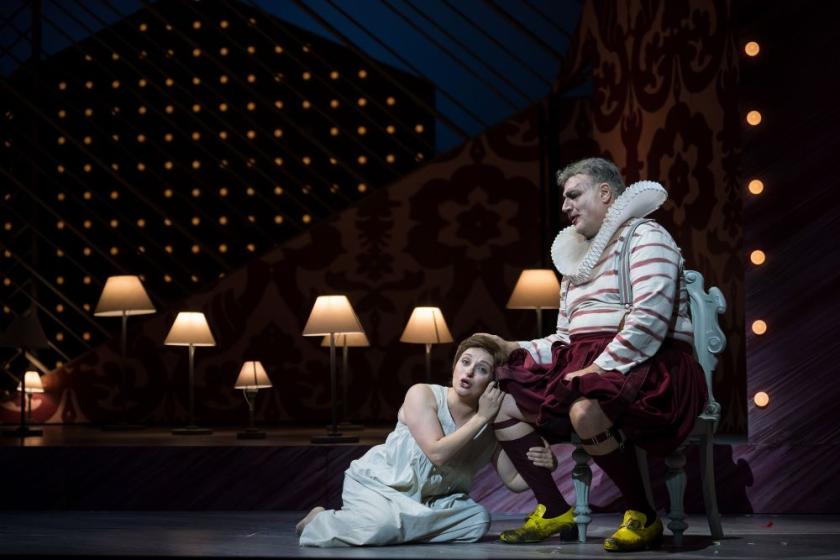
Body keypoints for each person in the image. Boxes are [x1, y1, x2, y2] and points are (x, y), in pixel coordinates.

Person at [481, 157, 708, 552]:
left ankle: (643, 514)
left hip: (649, 361)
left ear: (605, 193)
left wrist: (598, 368)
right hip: (586, 363)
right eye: (564, 198)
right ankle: (554, 509)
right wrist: (515, 348)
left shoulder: (645, 236)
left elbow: (649, 318)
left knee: (585, 408)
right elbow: (565, 338)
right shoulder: (576, 262)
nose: (565, 206)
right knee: (499, 399)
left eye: (574, 195)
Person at [296, 334, 559, 547]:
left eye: (481, 369)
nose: (468, 372)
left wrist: (547, 465)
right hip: (382, 486)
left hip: (434, 502)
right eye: (465, 362)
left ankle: (400, 526)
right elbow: (437, 453)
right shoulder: (423, 395)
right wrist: (481, 417)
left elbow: (514, 481)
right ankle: (321, 520)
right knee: (381, 525)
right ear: (455, 365)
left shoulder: (491, 426)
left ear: (493, 381)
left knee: (477, 521)